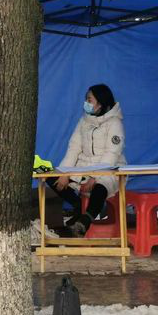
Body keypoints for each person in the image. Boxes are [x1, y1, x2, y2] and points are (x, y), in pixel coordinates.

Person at [52, 84, 126, 237]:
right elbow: (74, 148)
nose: (86, 103)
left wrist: (95, 176)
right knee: (52, 178)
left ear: (100, 103)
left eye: (89, 100)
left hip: (109, 169)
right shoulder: (84, 121)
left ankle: (84, 221)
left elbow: (112, 153)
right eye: (86, 99)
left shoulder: (115, 123)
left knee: (100, 186)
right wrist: (64, 173)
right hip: (84, 167)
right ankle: (78, 207)